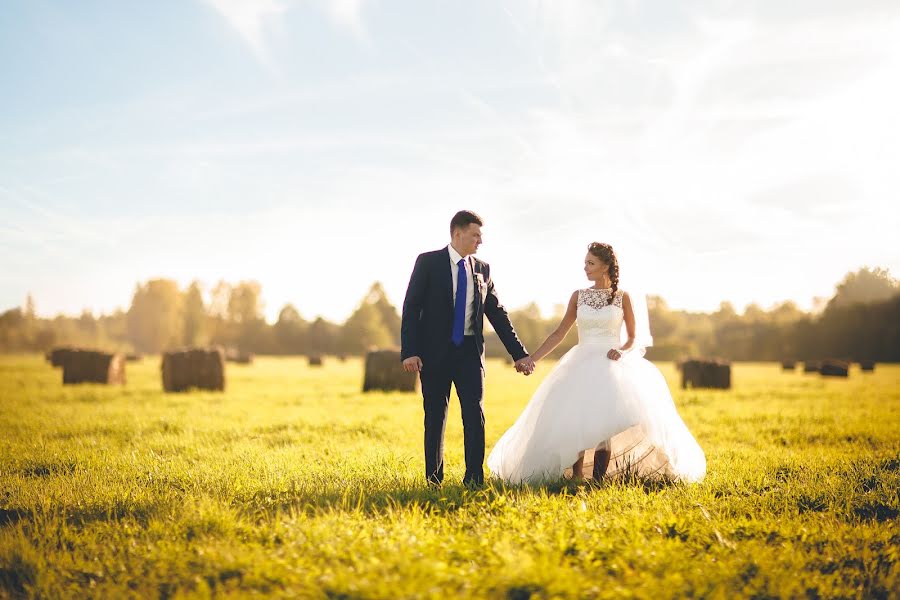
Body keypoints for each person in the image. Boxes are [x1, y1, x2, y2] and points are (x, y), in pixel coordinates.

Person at [487, 242, 706, 484]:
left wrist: (621, 351)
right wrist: (532, 358)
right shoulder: (578, 296)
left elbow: (633, 337)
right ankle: (576, 477)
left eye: (590, 263)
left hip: (611, 365)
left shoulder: (623, 298)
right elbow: (559, 333)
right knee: (579, 420)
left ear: (605, 266)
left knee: (604, 426)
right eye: (585, 263)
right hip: (581, 362)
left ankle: (599, 480)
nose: (585, 268)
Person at [401, 210, 534, 487]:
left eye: (481, 236)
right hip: (433, 354)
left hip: (470, 355)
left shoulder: (482, 269)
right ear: (457, 233)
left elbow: (497, 313)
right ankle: (433, 480)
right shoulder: (428, 262)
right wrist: (410, 350)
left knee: (475, 413)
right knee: (435, 416)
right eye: (475, 235)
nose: (480, 241)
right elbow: (411, 308)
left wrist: (519, 353)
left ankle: (474, 479)